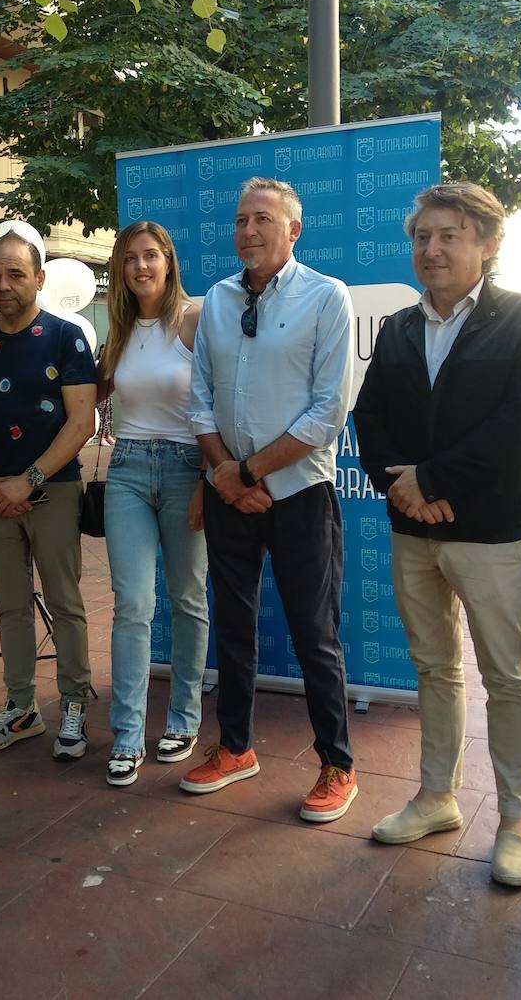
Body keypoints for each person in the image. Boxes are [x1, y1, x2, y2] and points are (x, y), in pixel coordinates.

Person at [352, 181, 521, 887]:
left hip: (490, 530)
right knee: (434, 667)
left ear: (488, 243)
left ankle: (515, 822)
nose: (431, 249)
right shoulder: (400, 328)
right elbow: (368, 418)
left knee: (506, 675)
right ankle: (437, 796)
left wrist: (432, 480)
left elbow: (514, 427)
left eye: (449, 235)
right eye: (422, 237)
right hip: (412, 528)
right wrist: (400, 485)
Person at [183, 177, 358, 823]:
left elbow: (326, 413)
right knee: (232, 626)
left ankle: (338, 761)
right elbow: (198, 398)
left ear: (293, 229)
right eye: (240, 220)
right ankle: (235, 747)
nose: (249, 230)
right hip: (230, 489)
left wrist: (246, 472)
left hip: (300, 493)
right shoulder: (219, 303)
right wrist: (224, 474)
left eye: (263, 219)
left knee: (316, 634)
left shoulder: (326, 297)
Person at [0, 223, 98, 759]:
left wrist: (26, 481)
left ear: (38, 278)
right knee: (10, 605)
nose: (3, 284)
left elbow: (82, 420)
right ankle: (20, 708)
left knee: (65, 602)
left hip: (53, 490)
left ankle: (74, 704)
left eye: (15, 274)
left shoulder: (65, 337)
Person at [96, 221, 209, 786]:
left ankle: (185, 718)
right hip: (129, 471)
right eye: (130, 258)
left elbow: (220, 401)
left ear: (168, 261)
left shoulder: (196, 317)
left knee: (187, 597)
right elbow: (84, 401)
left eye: (150, 256)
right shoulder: (116, 331)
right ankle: (126, 732)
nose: (140, 267)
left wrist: (211, 480)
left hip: (189, 466)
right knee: (133, 604)